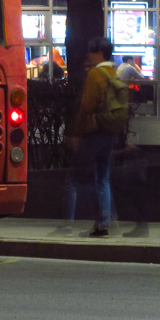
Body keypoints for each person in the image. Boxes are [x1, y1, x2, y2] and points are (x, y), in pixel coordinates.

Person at [64, 36, 122, 237]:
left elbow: (86, 107)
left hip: (94, 133)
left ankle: (101, 223)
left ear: (99, 53)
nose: (87, 54)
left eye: (91, 51)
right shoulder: (114, 72)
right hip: (109, 132)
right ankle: (107, 220)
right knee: (103, 179)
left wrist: (76, 133)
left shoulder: (95, 75)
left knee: (84, 179)